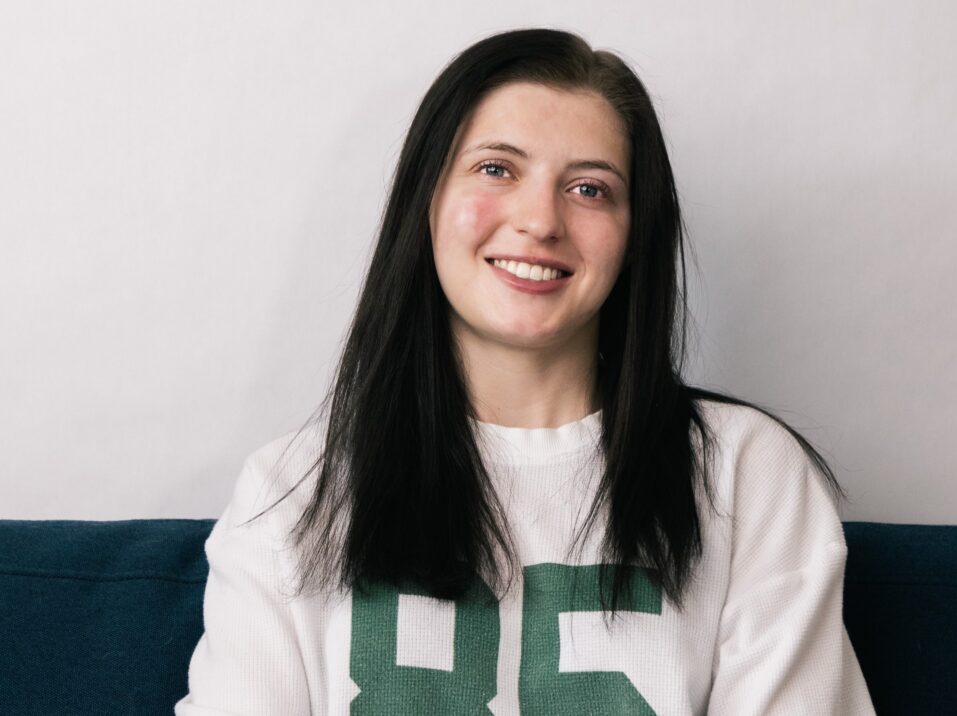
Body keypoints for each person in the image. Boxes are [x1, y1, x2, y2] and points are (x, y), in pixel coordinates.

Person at [175, 28, 875, 715]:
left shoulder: (746, 474)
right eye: (496, 169)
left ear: (635, 237)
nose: (540, 220)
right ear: (428, 201)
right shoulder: (291, 493)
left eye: (591, 189)